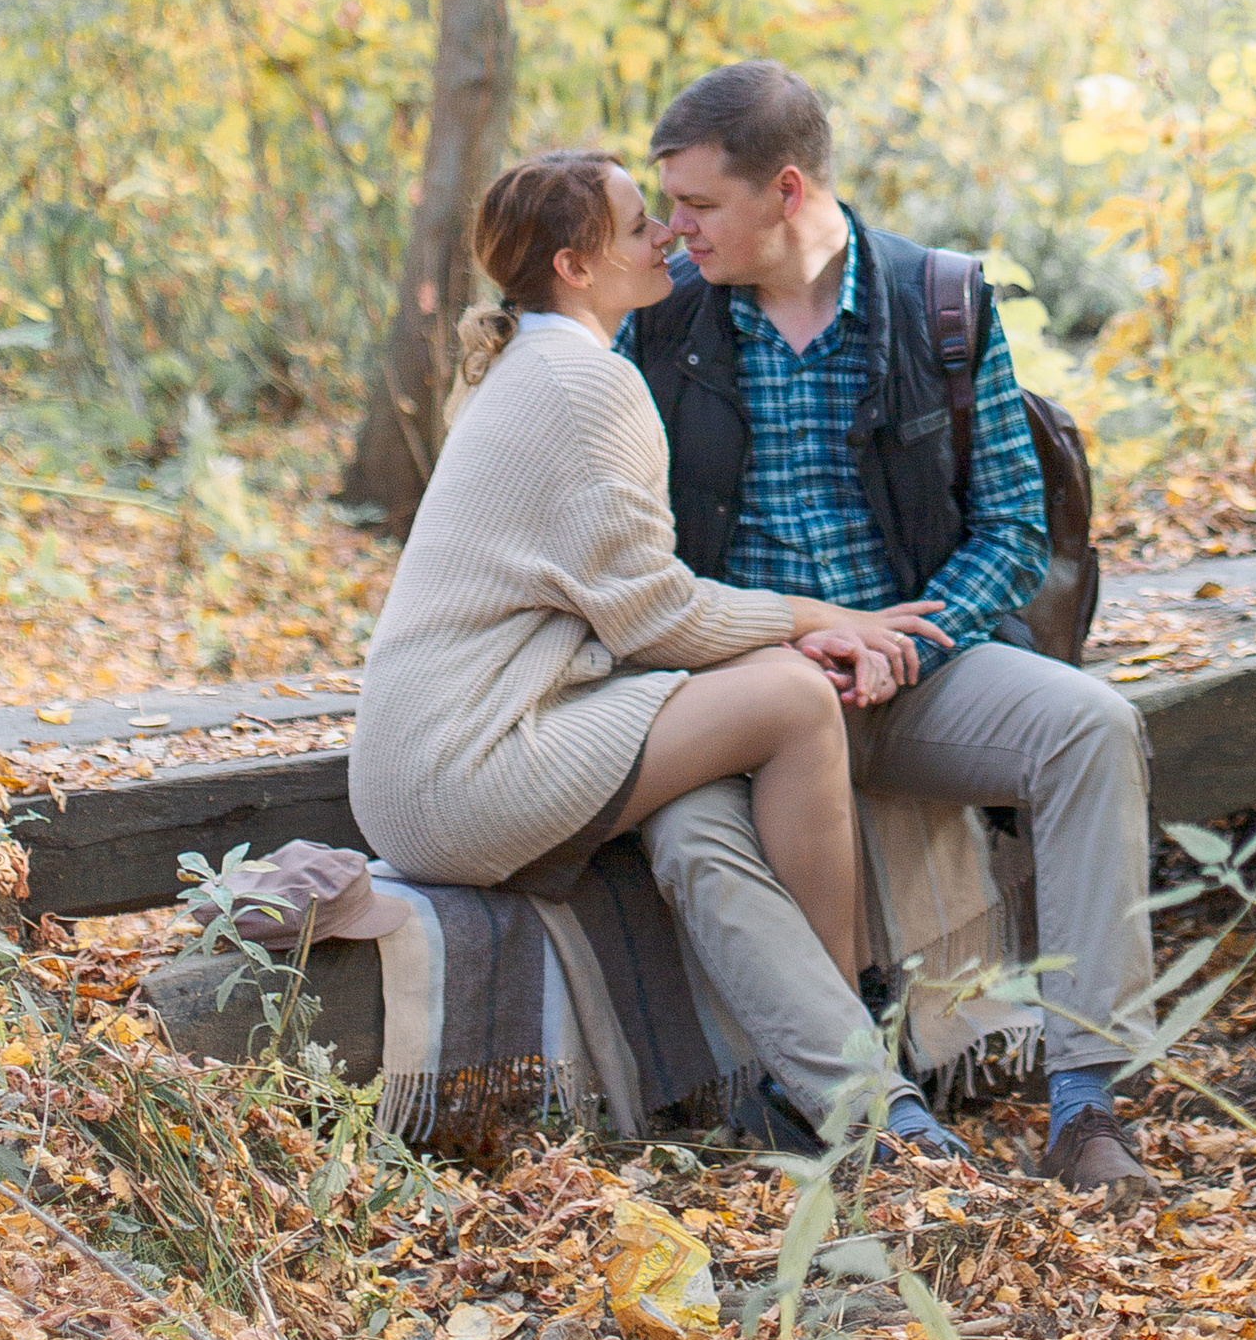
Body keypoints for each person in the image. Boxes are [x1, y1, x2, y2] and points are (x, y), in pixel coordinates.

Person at [617, 59, 1158, 1199]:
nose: (675, 231)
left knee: (1093, 728)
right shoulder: (660, 324)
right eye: (670, 207)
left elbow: (1012, 530)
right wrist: (769, 645)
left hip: (915, 674)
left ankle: (1086, 1106)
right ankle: (881, 1118)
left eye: (700, 205)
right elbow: (624, 547)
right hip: (745, 695)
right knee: (687, 837)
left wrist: (909, 639)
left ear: (788, 190)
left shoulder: (939, 303)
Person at [349, 149, 957, 1125]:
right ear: (574, 268)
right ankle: (858, 1039)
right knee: (797, 699)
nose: (666, 233)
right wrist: (822, 619)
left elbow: (625, 612)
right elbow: (658, 617)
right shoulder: (583, 382)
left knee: (703, 809)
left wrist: (783, 633)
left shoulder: (531, 365)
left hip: (428, 767)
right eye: (639, 225)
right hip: (468, 766)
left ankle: (821, 1088)